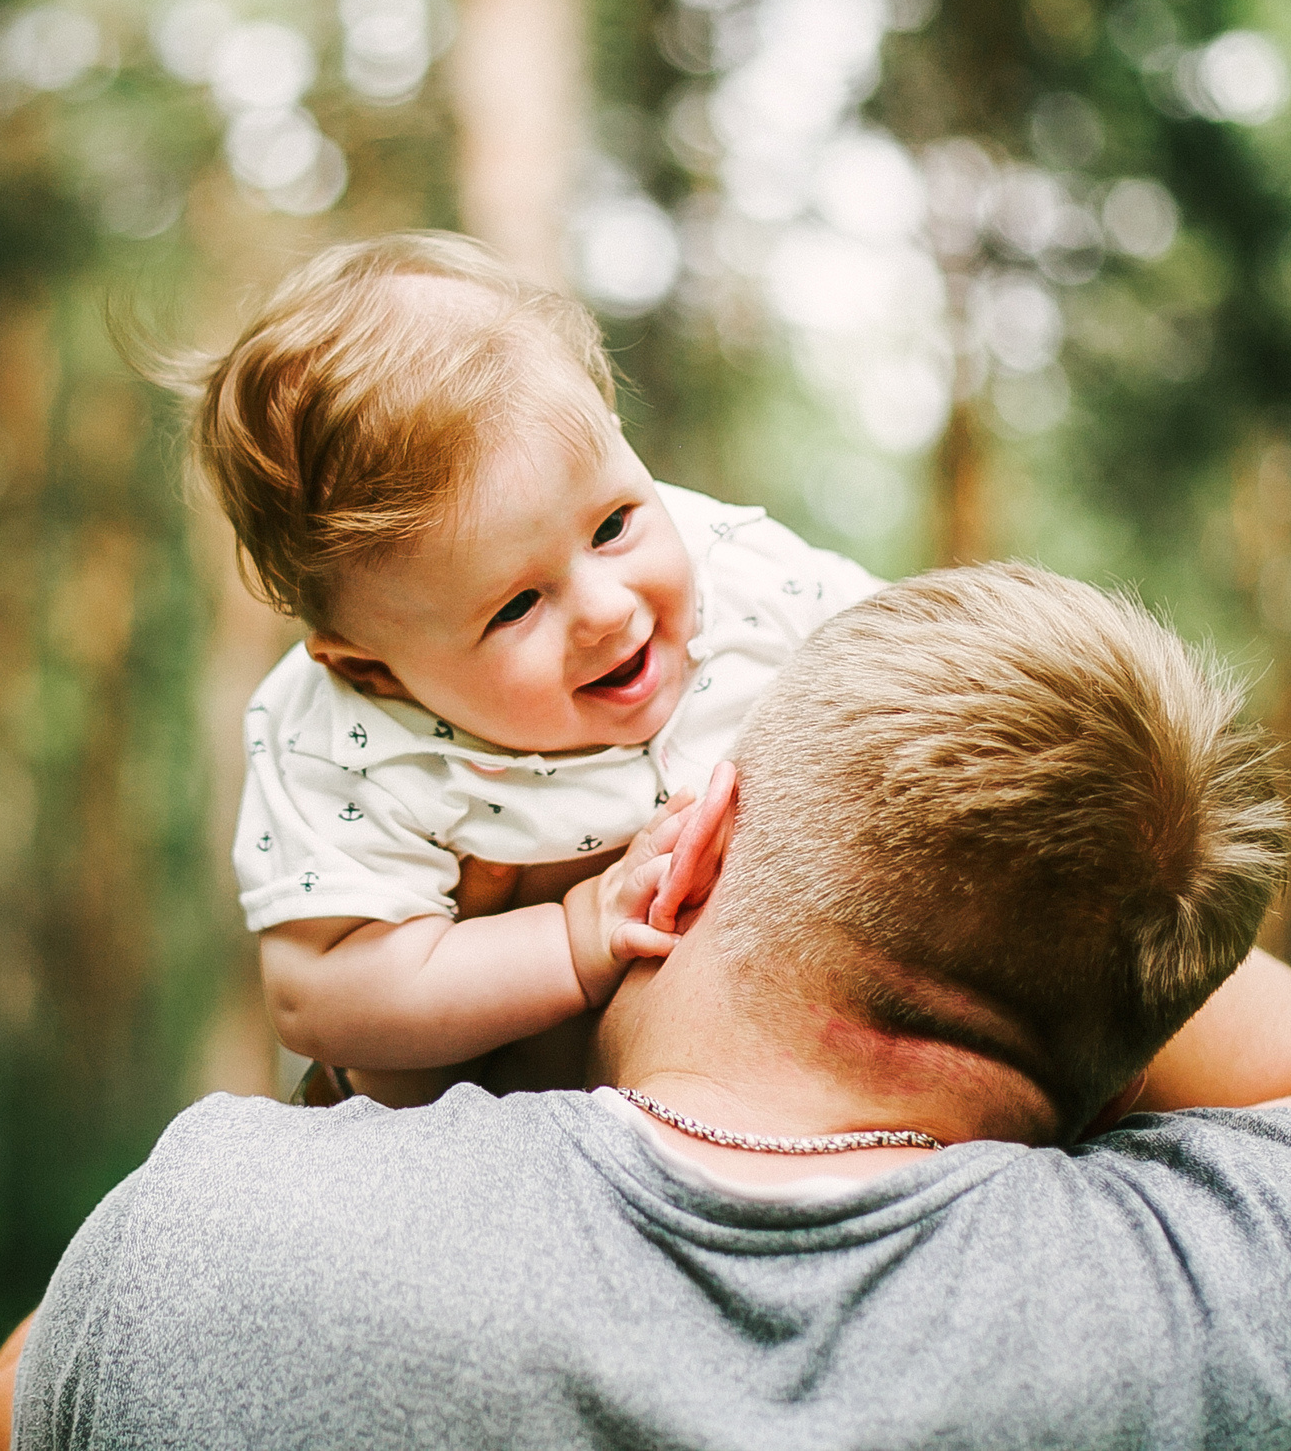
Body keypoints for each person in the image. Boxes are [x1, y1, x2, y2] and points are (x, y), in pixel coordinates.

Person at [0, 564, 1291, 1450]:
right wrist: (1069, 908)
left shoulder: (231, 1243)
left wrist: (403, 1058)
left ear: (691, 838)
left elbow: (14, 1409)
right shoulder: (1263, 1311)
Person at [185, 231, 883, 1101]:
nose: (606, 609)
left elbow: (917, 658)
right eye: (516, 606)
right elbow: (318, 993)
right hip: (507, 1120)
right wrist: (571, 938)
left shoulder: (744, 574)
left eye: (613, 524)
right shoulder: (347, 743)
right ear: (374, 670)